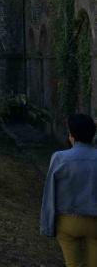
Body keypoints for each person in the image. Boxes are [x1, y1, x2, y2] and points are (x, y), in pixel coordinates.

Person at [41, 114, 97, 267]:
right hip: (95, 222)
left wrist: (47, 225)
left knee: (73, 263)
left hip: (67, 221)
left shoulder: (60, 158)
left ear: (72, 135)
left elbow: (50, 194)